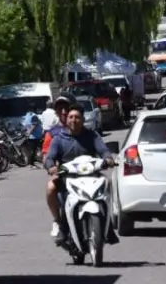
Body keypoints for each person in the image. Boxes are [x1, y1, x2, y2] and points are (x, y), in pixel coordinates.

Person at [44, 104, 118, 245]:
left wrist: (108, 159)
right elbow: (49, 158)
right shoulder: (59, 139)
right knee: (50, 188)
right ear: (66, 120)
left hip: (91, 175)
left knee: (108, 183)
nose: (73, 120)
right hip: (67, 177)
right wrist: (51, 167)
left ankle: (107, 225)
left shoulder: (92, 135)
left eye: (77, 117)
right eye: (71, 117)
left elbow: (103, 151)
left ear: (83, 119)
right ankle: (59, 223)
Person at [40, 95, 73, 160]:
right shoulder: (51, 134)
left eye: (66, 108)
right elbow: (46, 157)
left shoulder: (79, 129)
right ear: (56, 112)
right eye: (60, 109)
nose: (63, 112)